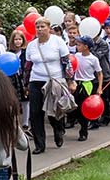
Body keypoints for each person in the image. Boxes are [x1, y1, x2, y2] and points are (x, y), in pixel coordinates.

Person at [21, 18, 72, 152]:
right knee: (35, 112)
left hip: (53, 80)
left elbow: (67, 62)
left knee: (53, 111)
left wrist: (70, 80)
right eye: (37, 27)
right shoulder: (32, 45)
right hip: (36, 80)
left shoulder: (57, 42)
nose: (40, 29)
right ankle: (40, 145)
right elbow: (28, 66)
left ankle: (58, 130)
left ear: (49, 28)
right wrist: (26, 84)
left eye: (42, 26)